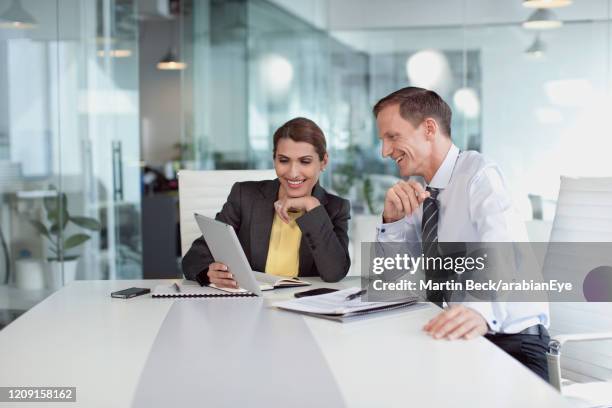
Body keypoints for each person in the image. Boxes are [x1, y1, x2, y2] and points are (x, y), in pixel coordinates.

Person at [373, 87, 550, 380]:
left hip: (513, 344)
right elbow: (392, 280)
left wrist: (480, 310)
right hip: (460, 339)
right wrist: (392, 221)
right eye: (382, 140)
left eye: (393, 137)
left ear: (429, 128)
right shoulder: (421, 195)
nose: (385, 151)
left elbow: (503, 246)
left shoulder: (479, 174)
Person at [182, 117, 351, 288]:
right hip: (251, 305)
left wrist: (312, 206)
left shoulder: (335, 208)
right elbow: (194, 258)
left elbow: (334, 273)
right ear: (274, 159)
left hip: (304, 307)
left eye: (305, 161)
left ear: (323, 161)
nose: (293, 173)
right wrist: (208, 272)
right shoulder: (245, 196)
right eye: (284, 160)